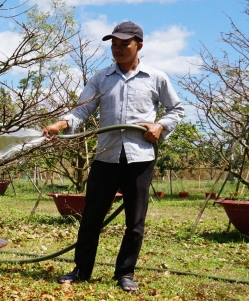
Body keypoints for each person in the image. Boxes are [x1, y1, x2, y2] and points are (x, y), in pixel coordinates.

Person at [42, 21, 184, 292]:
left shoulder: (156, 78)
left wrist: (160, 125)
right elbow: (82, 111)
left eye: (124, 44)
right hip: (106, 156)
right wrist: (61, 124)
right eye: (114, 44)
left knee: (135, 220)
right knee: (92, 217)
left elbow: (176, 109)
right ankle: (81, 270)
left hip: (140, 157)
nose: (117, 49)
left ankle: (125, 274)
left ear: (138, 46)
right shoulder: (100, 78)